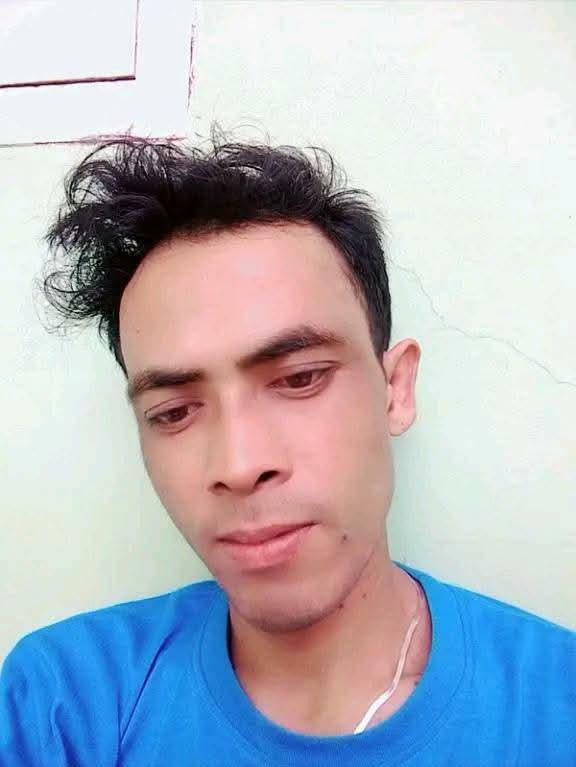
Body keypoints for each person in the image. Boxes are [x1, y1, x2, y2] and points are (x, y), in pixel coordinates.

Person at [1, 132, 574, 766]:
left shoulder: (556, 708)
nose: (240, 465)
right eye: (174, 412)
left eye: (300, 379)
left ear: (395, 389)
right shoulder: (65, 706)